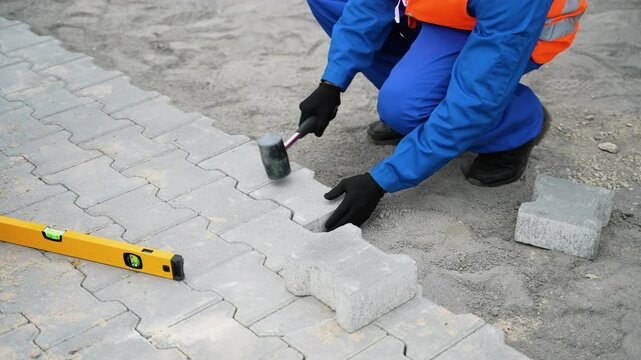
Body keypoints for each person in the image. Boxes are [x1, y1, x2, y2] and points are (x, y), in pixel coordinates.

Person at [298, 0, 587, 231]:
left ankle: (521, 122)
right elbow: (369, 6)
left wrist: (382, 179)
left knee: (405, 107)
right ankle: (425, 97)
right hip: (441, 11)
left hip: (510, 28)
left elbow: (476, 99)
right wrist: (332, 82)